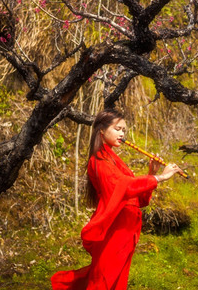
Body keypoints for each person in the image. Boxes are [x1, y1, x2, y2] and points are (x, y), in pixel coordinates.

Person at [51, 109, 183, 290]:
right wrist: (160, 178)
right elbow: (123, 186)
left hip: (127, 229)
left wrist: (152, 172)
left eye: (124, 130)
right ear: (102, 131)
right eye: (118, 129)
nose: (122, 134)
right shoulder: (98, 160)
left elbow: (139, 199)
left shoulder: (113, 159)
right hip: (114, 228)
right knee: (103, 279)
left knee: (117, 280)